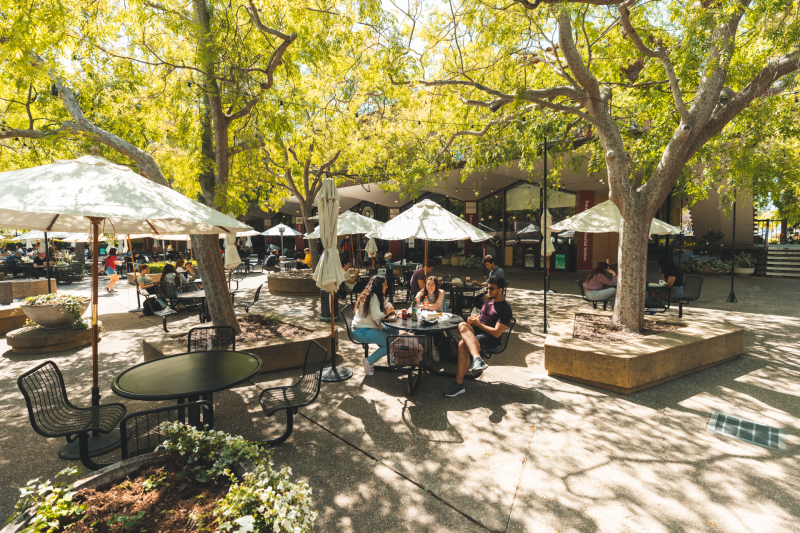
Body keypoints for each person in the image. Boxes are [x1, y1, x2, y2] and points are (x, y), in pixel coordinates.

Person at [444, 276, 512, 397]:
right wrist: (475, 320)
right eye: (487, 288)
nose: (488, 291)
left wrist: (478, 323)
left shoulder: (505, 309)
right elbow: (481, 318)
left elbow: (497, 333)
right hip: (477, 331)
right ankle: (477, 360)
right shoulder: (487, 302)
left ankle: (458, 384)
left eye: (491, 288)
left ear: (500, 290)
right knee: (462, 324)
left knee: (462, 344)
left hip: (491, 338)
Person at [351, 275, 395, 376]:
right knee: (390, 344)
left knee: (393, 331)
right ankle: (368, 361)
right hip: (361, 331)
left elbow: (387, 304)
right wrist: (387, 311)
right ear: (379, 286)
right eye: (385, 284)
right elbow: (377, 317)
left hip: (367, 327)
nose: (387, 286)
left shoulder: (377, 294)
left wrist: (388, 308)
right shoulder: (373, 297)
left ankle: (392, 355)